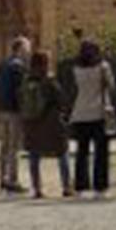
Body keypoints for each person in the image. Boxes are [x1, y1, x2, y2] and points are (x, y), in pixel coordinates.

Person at [20, 51, 73, 199]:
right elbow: (61, 100)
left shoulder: (26, 80)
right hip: (51, 122)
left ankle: (37, 188)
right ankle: (66, 187)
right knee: (62, 153)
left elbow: (20, 99)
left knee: (34, 156)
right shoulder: (49, 80)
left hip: (31, 122)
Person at [69, 39, 114, 198]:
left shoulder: (76, 68)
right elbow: (111, 85)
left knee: (82, 152)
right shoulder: (103, 67)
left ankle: (80, 187)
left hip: (80, 112)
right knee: (101, 152)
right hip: (98, 113)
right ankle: (100, 188)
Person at [0, 36, 30, 194]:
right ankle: (12, 180)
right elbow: (22, 90)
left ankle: (2, 178)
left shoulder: (2, 64)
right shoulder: (18, 67)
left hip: (2, 109)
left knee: (5, 145)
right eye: (27, 47)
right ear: (20, 49)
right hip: (14, 110)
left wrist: (0, 96)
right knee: (14, 146)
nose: (29, 51)